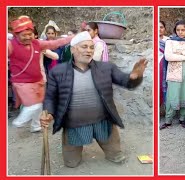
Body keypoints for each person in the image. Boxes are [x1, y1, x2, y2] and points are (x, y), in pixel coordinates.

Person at [40, 31, 148, 168]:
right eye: (84, 47)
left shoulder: (106, 67)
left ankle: (113, 151)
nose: (89, 50)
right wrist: (49, 112)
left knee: (116, 155)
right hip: (73, 123)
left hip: (102, 120)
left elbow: (125, 81)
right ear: (73, 49)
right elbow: (50, 96)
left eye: (91, 47)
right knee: (71, 163)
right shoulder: (58, 72)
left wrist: (134, 77)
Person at [8, 16, 72, 132]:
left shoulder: (37, 43)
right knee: (34, 105)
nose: (28, 37)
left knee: (39, 105)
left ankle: (35, 125)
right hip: (22, 83)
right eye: (24, 35)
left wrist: (71, 38)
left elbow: (55, 43)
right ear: (16, 35)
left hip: (38, 81)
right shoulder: (10, 45)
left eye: (30, 34)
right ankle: (19, 122)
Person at [159, 20, 185, 130]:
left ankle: (182, 119)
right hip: (174, 74)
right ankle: (168, 120)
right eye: (178, 30)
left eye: (183, 30)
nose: (180, 32)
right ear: (175, 31)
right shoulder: (170, 41)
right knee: (172, 96)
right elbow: (168, 56)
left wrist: (180, 53)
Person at [159, 21, 170, 116]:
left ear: (165, 29)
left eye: (161, 27)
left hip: (166, 68)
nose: (159, 29)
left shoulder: (169, 40)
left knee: (165, 87)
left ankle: (166, 111)